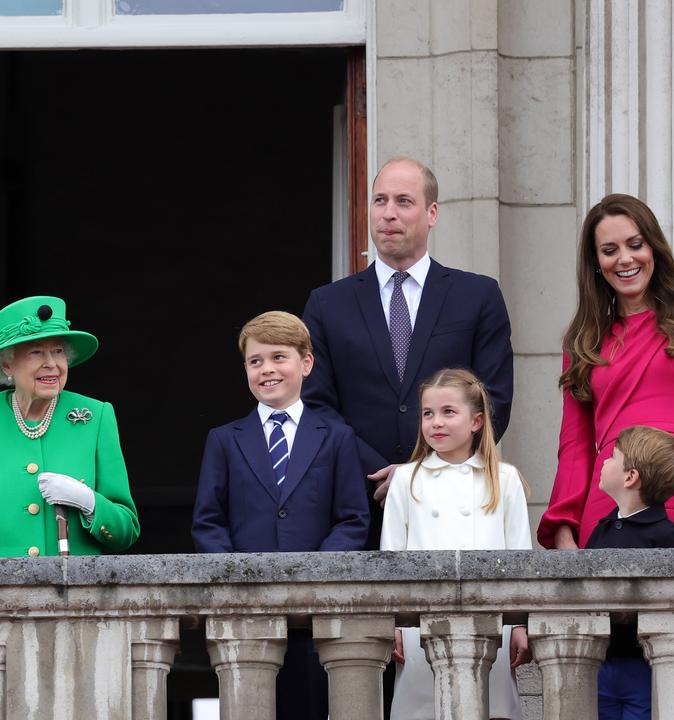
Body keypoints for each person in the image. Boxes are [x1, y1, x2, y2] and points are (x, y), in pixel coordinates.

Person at [537, 193, 674, 720]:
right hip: (605, 504)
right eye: (609, 249)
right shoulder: (585, 338)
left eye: (634, 245)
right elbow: (573, 442)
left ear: (653, 248)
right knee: (613, 661)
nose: (625, 259)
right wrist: (566, 525)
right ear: (596, 262)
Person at [0, 295, 140, 720]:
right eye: (37, 352)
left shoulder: (96, 416)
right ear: (7, 366)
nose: (52, 363)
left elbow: (125, 528)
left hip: (76, 626)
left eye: (58, 351)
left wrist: (89, 503)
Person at [302, 156, 514, 552]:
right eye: (379, 201)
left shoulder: (477, 296)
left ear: (432, 213)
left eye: (403, 201)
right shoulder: (328, 304)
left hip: (452, 504)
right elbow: (315, 404)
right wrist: (379, 473)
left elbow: (493, 397)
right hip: (355, 505)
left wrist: (424, 471)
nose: (388, 214)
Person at [192, 310, 368, 719]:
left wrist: (314, 575)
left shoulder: (337, 436)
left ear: (306, 363)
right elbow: (208, 521)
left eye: (278, 357)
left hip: (315, 617)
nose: (267, 369)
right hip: (247, 613)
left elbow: (352, 519)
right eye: (255, 361)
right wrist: (236, 577)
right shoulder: (223, 440)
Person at [380, 367, 531, 720]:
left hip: (491, 622)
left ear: (476, 421)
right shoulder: (406, 479)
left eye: (449, 412)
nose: (436, 422)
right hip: (420, 626)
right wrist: (393, 623)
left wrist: (521, 623)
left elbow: (521, 557)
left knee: (489, 708)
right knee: (423, 709)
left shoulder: (504, 479)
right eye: (428, 413)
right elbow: (391, 558)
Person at [586, 425, 674, 720]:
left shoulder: (670, 537)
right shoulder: (601, 531)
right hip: (601, 664)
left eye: (612, 457)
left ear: (630, 477)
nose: (605, 461)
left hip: (645, 667)